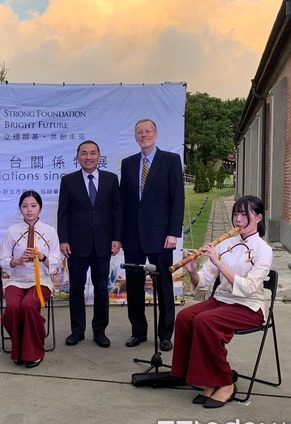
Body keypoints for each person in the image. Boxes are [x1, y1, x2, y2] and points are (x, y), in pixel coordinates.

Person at [170, 195, 273, 408]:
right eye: (236, 214)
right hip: (222, 300)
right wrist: (191, 271)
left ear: (258, 218)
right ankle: (205, 379)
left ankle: (225, 382)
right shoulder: (226, 242)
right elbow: (204, 280)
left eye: (245, 214)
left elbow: (248, 288)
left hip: (248, 306)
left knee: (204, 321)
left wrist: (217, 261)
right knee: (185, 317)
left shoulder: (264, 250)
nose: (238, 219)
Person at [120, 119, 184, 351]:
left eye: (148, 131)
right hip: (133, 237)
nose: (144, 135)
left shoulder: (171, 160)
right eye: (140, 132)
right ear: (135, 137)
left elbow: (177, 198)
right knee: (134, 287)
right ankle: (138, 332)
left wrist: (173, 232)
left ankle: (165, 333)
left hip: (161, 236)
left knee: (164, 287)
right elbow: (123, 203)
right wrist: (120, 235)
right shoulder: (127, 164)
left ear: (156, 134)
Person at [57, 140, 123, 348]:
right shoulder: (69, 181)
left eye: (92, 153)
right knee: (76, 288)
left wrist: (117, 238)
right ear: (77, 157)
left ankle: (100, 331)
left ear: (99, 156)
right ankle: (77, 331)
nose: (88, 157)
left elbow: (117, 211)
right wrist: (64, 240)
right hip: (76, 245)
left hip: (103, 244)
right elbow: (63, 213)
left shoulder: (111, 180)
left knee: (102, 288)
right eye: (84, 153)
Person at [0, 191, 62, 368]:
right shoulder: (12, 231)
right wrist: (17, 261)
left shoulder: (50, 231)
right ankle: (20, 349)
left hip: (41, 281)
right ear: (20, 208)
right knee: (13, 307)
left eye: (33, 206)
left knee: (28, 305)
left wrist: (42, 257)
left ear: (40, 208)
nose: (29, 210)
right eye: (25, 206)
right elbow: (3, 260)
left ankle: (32, 353)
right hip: (17, 281)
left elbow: (56, 261)